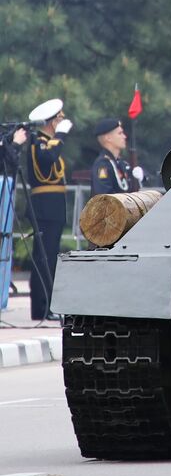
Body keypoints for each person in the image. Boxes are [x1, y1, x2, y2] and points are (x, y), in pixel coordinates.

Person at [16, 98, 71, 322]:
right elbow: (47, 159)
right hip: (43, 206)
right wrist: (61, 137)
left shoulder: (47, 141)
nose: (63, 121)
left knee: (50, 257)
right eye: (60, 118)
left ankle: (47, 305)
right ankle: (42, 307)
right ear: (52, 122)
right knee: (44, 258)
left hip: (54, 206)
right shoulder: (39, 141)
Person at [90, 118, 139, 197]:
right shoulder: (103, 164)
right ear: (108, 138)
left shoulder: (121, 163)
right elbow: (104, 195)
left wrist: (140, 177)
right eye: (120, 133)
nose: (124, 136)